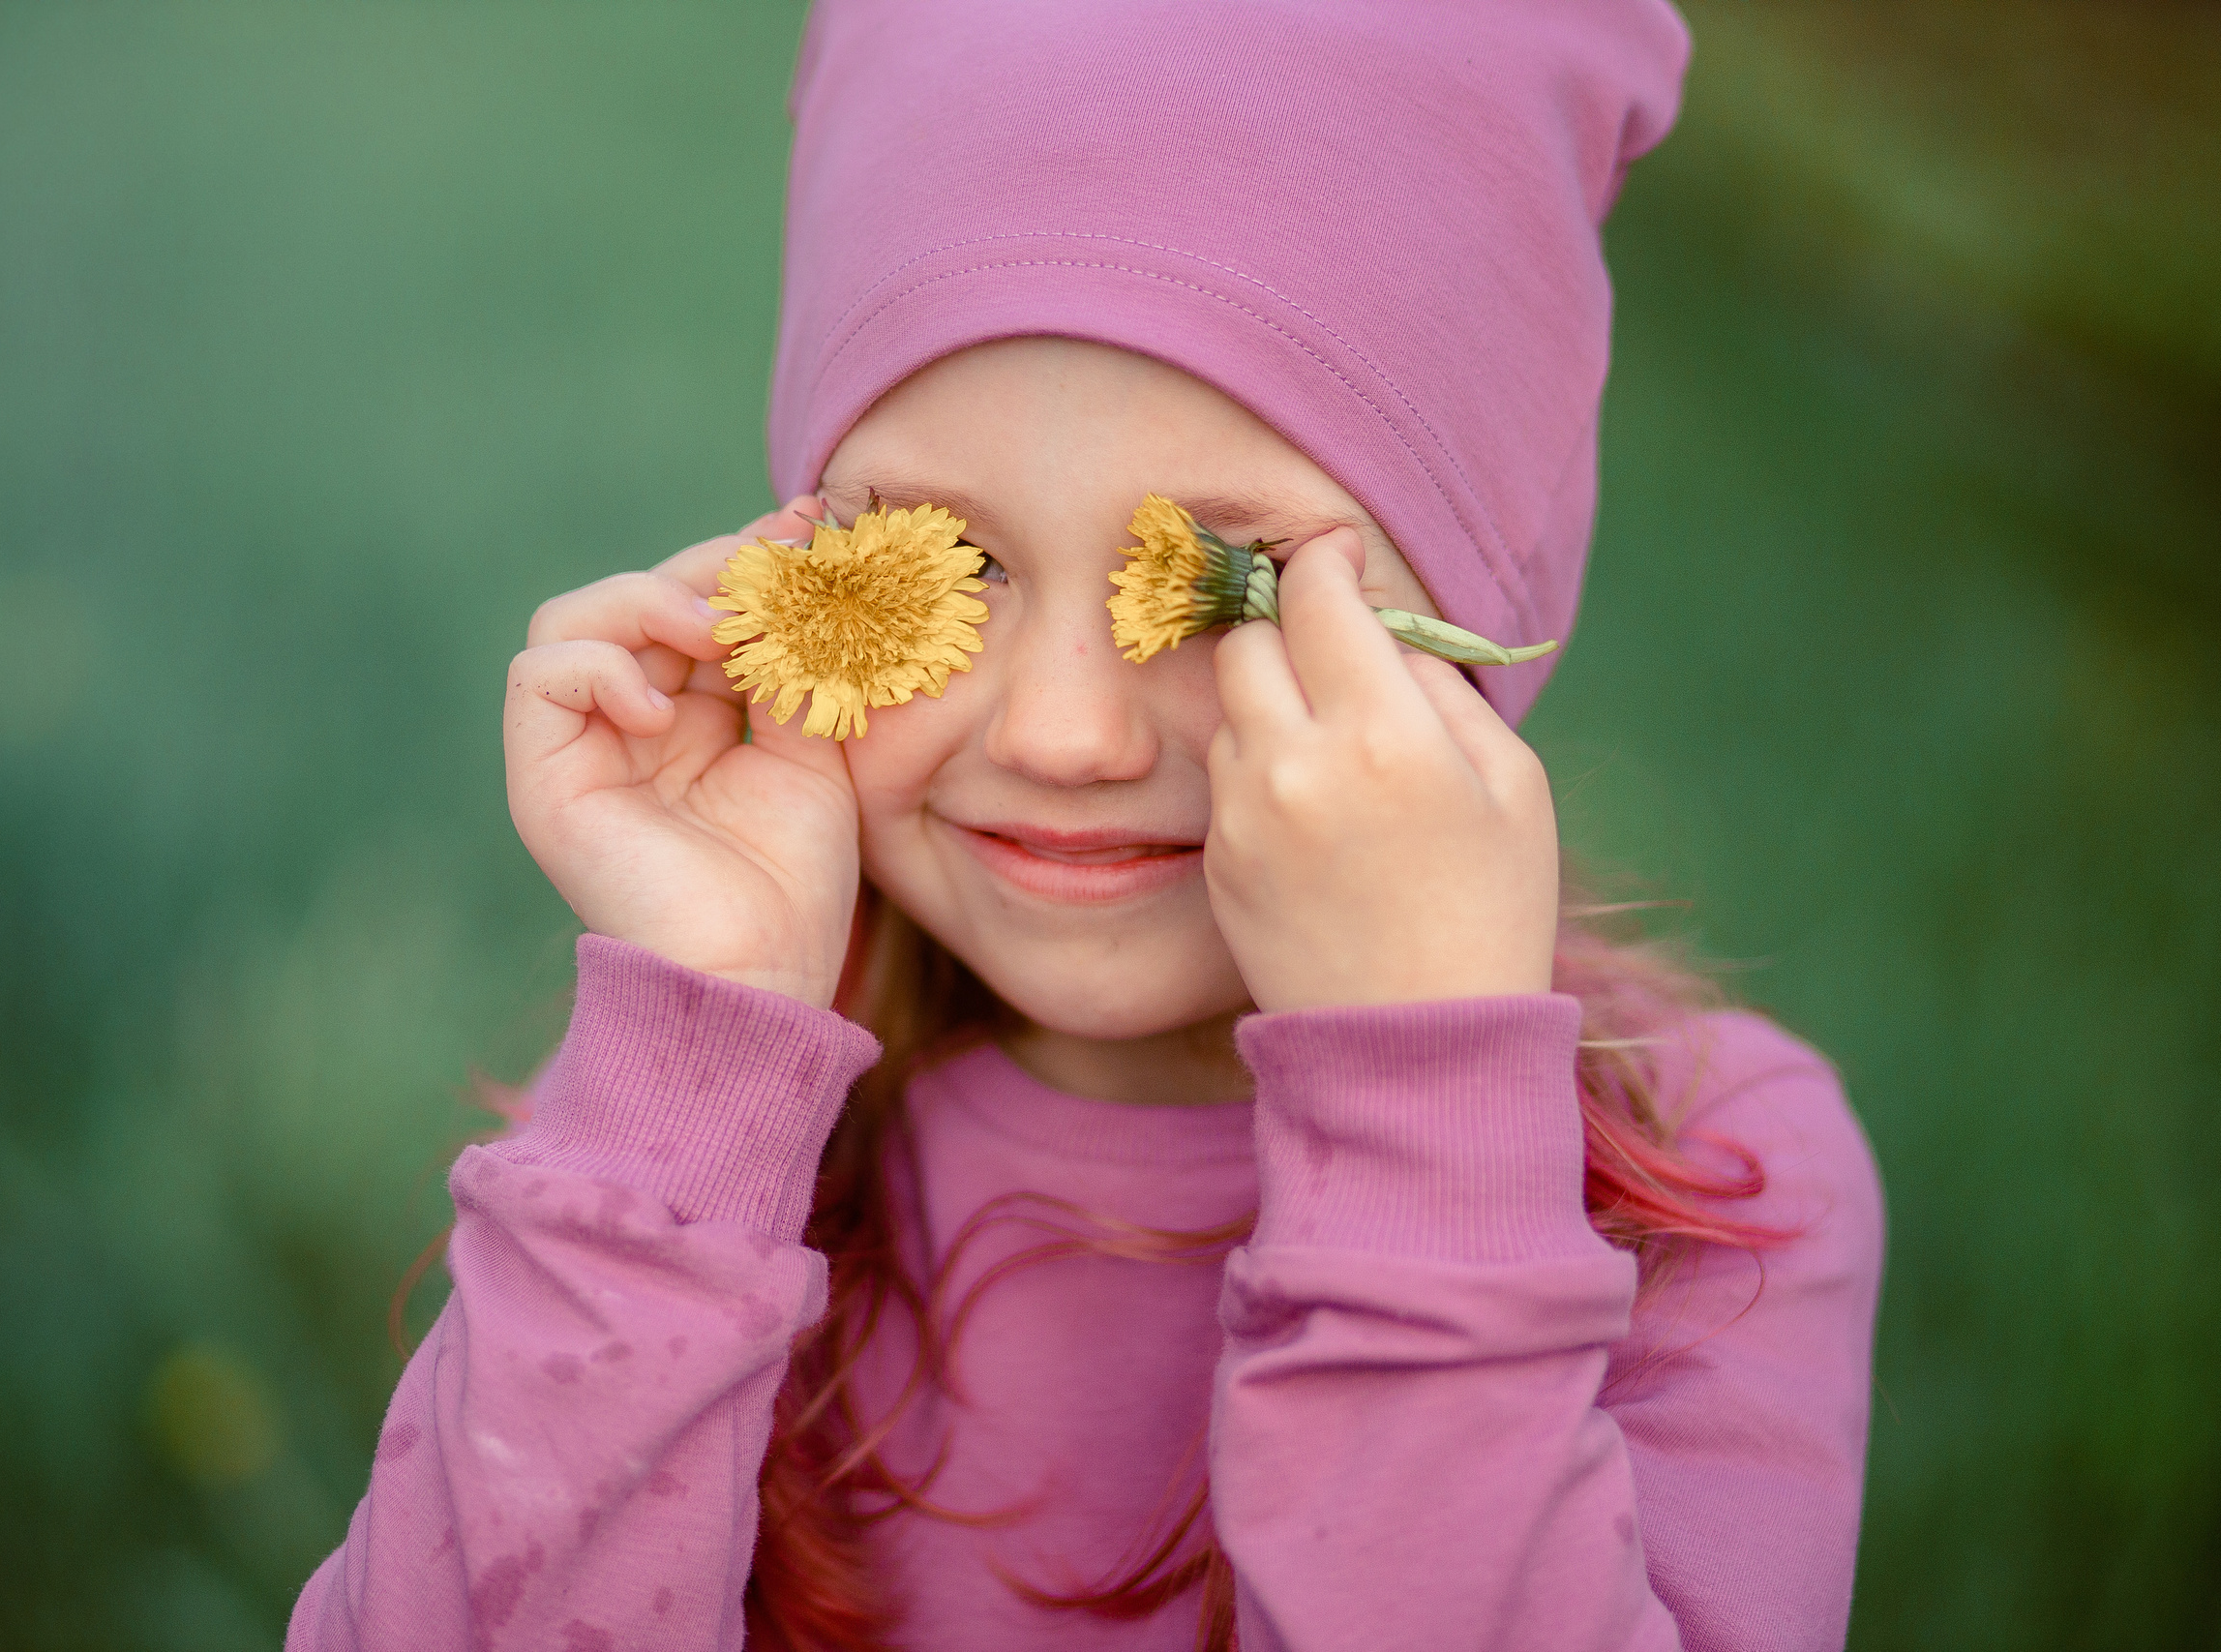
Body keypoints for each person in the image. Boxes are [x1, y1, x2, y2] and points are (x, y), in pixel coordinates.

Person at [289, 1, 1884, 1647]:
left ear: (1480, 615)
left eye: (1225, 590)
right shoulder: (707, 1109)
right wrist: (695, 1056)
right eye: (943, 563)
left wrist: (1423, 1102)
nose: (1061, 734)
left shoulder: (1731, 1190)